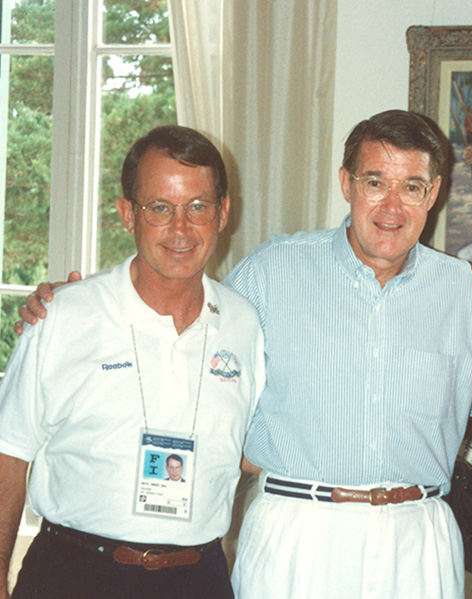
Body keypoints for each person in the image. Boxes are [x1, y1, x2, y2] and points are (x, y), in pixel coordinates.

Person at [13, 111, 472, 599]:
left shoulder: (460, 291)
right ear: (346, 184)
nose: (391, 206)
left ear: (433, 193)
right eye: (375, 182)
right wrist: (79, 300)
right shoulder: (274, 271)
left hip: (418, 539)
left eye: (412, 187)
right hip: (297, 533)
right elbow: (179, 305)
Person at [0, 126, 264, 599]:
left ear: (223, 213)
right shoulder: (64, 316)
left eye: (198, 207)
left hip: (197, 578)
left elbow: (254, 450)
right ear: (128, 214)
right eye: (160, 207)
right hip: (72, 575)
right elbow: (8, 453)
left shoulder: (245, 323)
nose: (180, 228)